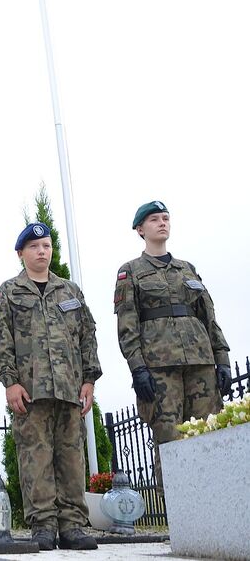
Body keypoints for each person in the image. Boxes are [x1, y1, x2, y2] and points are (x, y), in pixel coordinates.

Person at [0, 222, 102, 551]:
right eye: (35, 246)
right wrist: (10, 383)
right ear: (21, 253)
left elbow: (87, 337)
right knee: (34, 459)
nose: (42, 251)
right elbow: (0, 342)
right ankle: (43, 524)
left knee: (71, 458)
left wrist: (89, 380)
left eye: (47, 245)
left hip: (69, 391)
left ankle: (73, 526)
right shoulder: (10, 292)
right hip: (31, 392)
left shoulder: (70, 292)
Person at [114, 201, 230, 495]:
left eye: (165, 218)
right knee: (170, 439)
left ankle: (213, 506)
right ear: (140, 229)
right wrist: (138, 368)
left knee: (208, 435)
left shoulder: (187, 269)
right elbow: (128, 325)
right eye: (154, 219)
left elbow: (209, 318)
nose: (162, 223)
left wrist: (223, 360)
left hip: (200, 363)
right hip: (159, 368)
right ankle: (179, 515)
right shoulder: (131, 271)